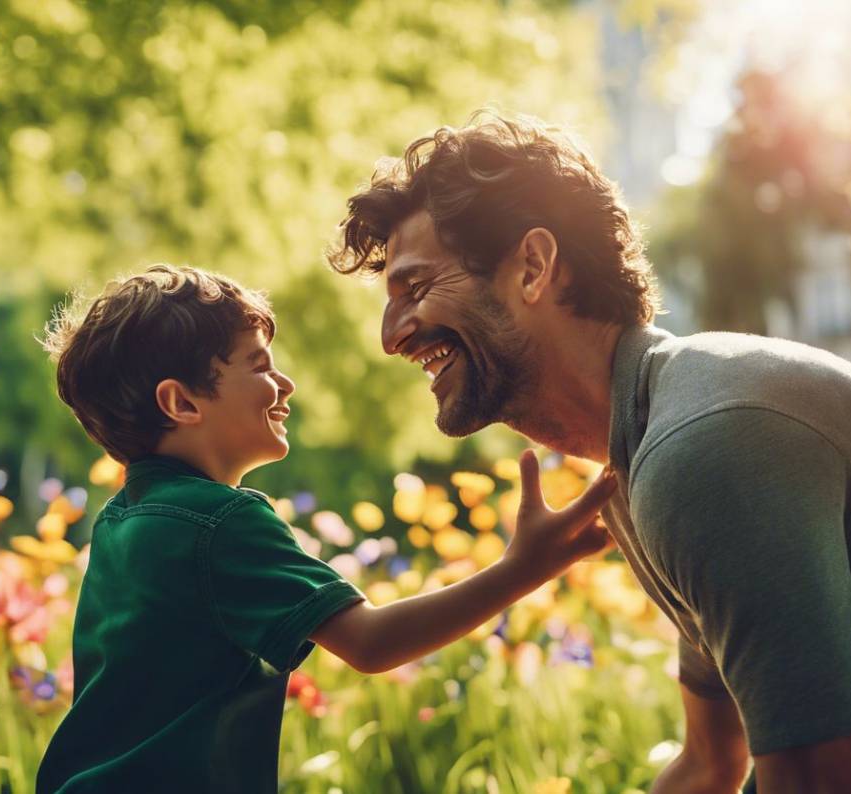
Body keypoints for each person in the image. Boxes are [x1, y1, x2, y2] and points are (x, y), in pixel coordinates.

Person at [328, 110, 851, 793]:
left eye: (415, 288)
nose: (391, 336)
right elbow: (711, 763)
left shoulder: (705, 449)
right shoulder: (644, 450)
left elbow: (827, 782)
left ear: (533, 266)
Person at [34, 264, 614, 793]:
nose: (284, 385)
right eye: (259, 366)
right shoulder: (219, 522)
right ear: (181, 403)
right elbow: (371, 641)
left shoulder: (121, 521)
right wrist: (526, 568)